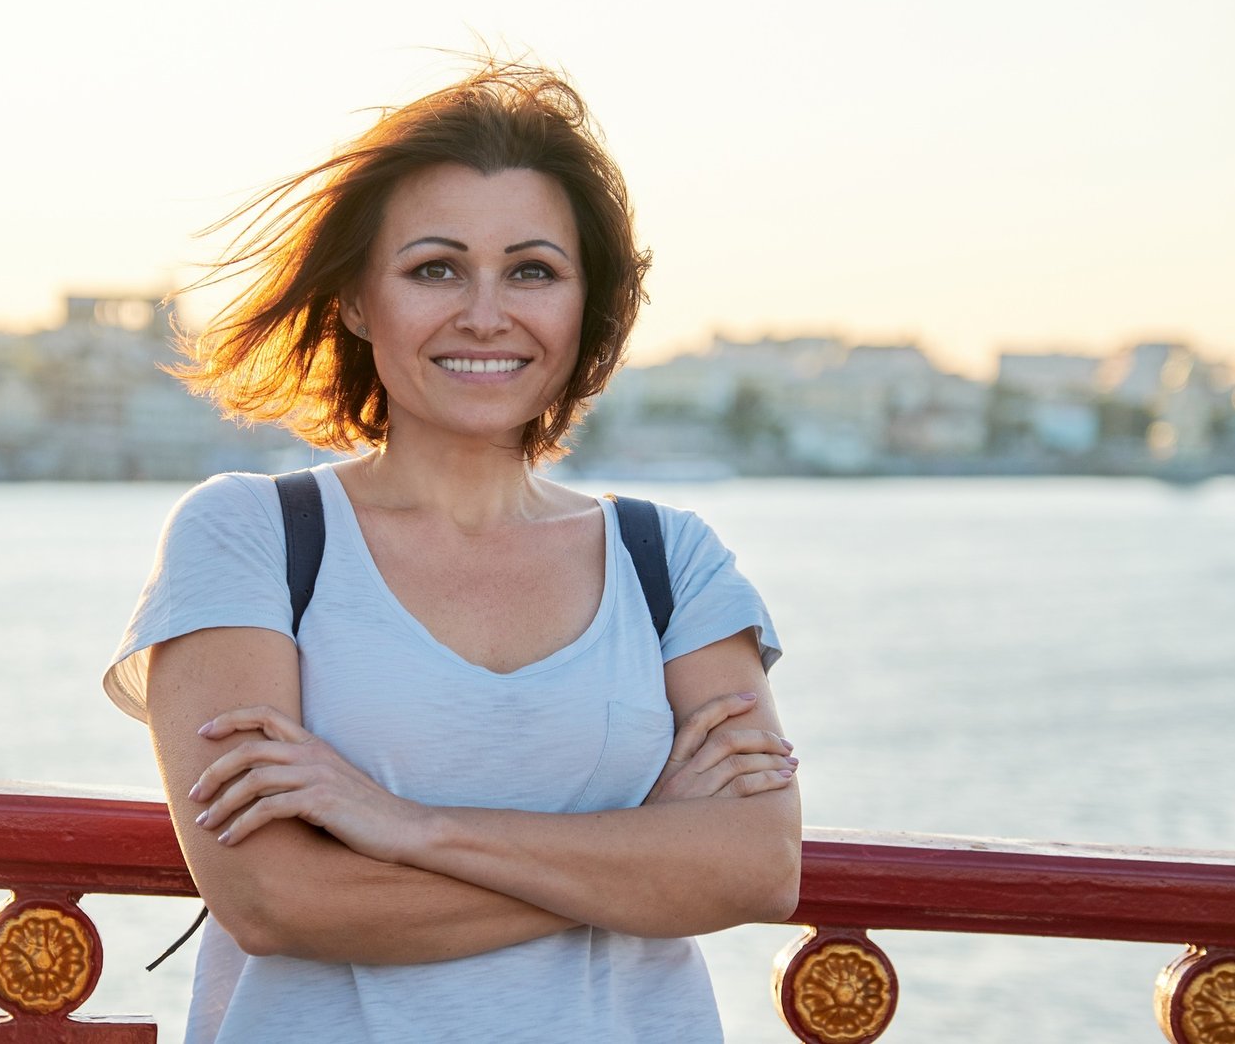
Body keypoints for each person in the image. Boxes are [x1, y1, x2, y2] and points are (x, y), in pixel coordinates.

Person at [103, 59, 801, 1044]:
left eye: (532, 271)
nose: (484, 313)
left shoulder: (669, 559)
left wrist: (405, 827)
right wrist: (639, 863)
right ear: (356, 301)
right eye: (435, 268)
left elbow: (757, 866)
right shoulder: (248, 536)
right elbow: (275, 899)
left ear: (586, 305)